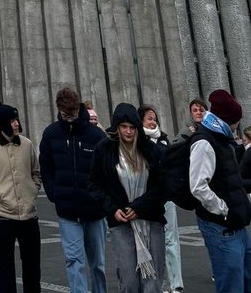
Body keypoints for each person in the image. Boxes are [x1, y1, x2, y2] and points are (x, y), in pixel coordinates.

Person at [90, 103, 167, 293]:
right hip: (121, 221)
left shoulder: (150, 150)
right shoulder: (105, 149)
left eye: (132, 127)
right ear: (117, 127)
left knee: (153, 281)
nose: (128, 131)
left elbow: (164, 185)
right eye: (124, 127)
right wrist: (112, 209)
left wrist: (140, 206)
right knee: (129, 281)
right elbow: (94, 184)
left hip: (151, 219)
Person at [39, 85, 107, 293]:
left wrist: (101, 198)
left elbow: (106, 171)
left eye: (72, 114)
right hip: (67, 211)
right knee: (73, 260)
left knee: (98, 263)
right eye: (64, 114)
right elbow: (46, 167)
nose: (69, 118)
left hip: (94, 211)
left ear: (79, 109)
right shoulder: (51, 134)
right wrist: (53, 193)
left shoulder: (96, 135)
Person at [189, 88, 251, 293]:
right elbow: (198, 186)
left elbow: (231, 181)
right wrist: (223, 208)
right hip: (221, 227)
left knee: (245, 280)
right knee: (231, 285)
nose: (237, 125)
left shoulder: (222, 139)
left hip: (236, 224)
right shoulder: (205, 142)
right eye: (236, 121)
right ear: (227, 119)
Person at [0, 100, 42, 293]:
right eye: (12, 120)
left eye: (17, 119)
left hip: (29, 215)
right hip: (4, 215)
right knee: (5, 264)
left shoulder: (27, 144)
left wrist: (33, 190)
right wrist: (0, 194)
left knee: (32, 264)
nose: (16, 123)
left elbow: (36, 172)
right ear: (3, 123)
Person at [139, 103, 183, 293]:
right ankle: (159, 284)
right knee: (152, 242)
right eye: (149, 118)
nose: (153, 122)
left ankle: (176, 285)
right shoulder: (138, 142)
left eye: (155, 119)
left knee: (171, 240)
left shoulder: (164, 140)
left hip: (167, 196)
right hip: (147, 198)